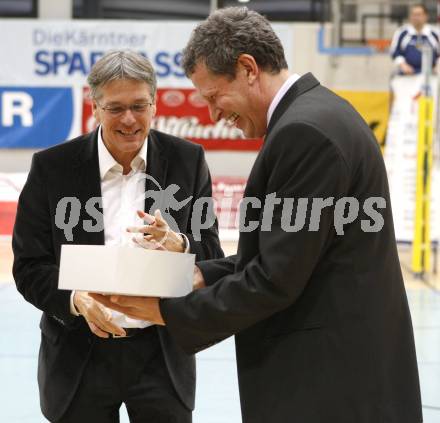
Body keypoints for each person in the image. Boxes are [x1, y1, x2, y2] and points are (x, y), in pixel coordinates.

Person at [93, 8, 423, 423]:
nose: (213, 115)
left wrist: (164, 311)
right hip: (340, 374)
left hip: (329, 385)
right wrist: (199, 275)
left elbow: (274, 279)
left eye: (213, 97)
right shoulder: (319, 115)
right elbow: (291, 253)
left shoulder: (304, 134)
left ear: (247, 68)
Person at [12, 50, 223, 423]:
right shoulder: (52, 168)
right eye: (115, 108)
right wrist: (75, 299)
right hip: (79, 356)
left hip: (162, 355)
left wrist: (182, 245)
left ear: (155, 105)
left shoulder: (187, 160)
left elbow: (212, 253)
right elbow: (29, 266)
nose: (129, 119)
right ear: (95, 107)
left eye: (139, 106)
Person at [390, 3, 440, 75]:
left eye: (419, 15)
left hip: (431, 74)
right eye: (413, 15)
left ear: (426, 16)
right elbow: (395, 52)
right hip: (407, 75)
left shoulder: (435, 33)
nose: (416, 17)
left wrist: (437, 66)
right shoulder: (402, 33)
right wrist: (403, 65)